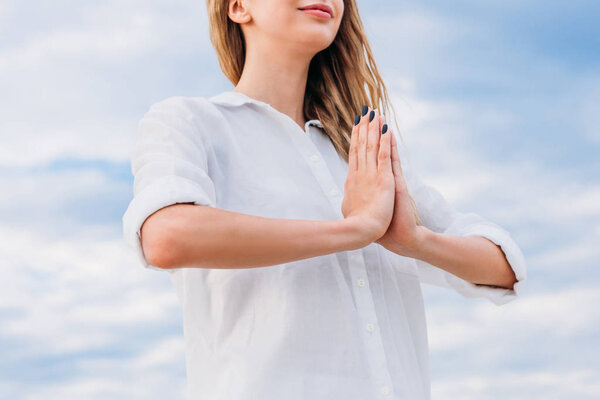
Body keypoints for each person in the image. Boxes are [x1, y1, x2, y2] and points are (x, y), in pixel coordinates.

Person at [122, 1, 528, 399]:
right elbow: (166, 235)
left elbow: (504, 269)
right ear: (238, 7)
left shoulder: (363, 149)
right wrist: (354, 231)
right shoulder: (191, 123)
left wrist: (415, 242)